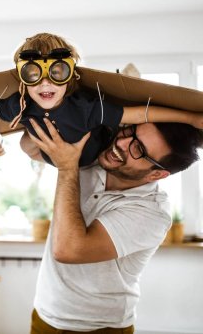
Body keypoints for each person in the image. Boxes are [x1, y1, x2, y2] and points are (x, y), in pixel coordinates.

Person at [0, 33, 203, 167]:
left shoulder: (87, 107)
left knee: (29, 138)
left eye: (56, 72)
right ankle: (2, 140)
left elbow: (141, 114)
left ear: (70, 77)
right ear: (22, 79)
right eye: (33, 74)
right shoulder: (20, 103)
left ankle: (11, 137)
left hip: (88, 159)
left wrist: (190, 118)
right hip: (49, 155)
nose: (45, 83)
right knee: (24, 142)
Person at [27, 118, 203, 333]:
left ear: (156, 174)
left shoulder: (152, 212)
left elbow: (68, 250)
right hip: (45, 315)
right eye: (130, 131)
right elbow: (30, 147)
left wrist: (67, 167)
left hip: (101, 327)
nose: (122, 144)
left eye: (138, 148)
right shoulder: (94, 157)